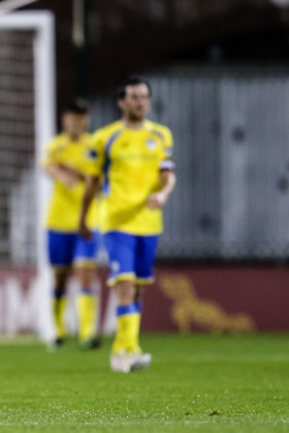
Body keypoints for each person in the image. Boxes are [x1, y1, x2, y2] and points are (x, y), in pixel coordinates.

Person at [78, 77, 176, 373]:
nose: (139, 102)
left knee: (138, 290)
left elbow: (168, 174)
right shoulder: (105, 138)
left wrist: (163, 194)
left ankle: (121, 348)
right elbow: (92, 182)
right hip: (116, 221)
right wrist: (84, 218)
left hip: (148, 223)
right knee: (125, 285)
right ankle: (130, 352)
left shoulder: (161, 135)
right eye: (133, 97)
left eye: (143, 97)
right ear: (121, 102)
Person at [42, 101, 103, 349]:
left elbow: (99, 181)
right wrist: (62, 174)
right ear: (64, 121)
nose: (76, 124)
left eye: (80, 120)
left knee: (86, 273)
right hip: (58, 222)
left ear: (86, 122)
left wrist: (73, 173)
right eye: (72, 120)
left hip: (88, 221)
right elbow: (46, 166)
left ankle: (87, 333)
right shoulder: (55, 146)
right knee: (61, 278)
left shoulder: (94, 147)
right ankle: (58, 330)